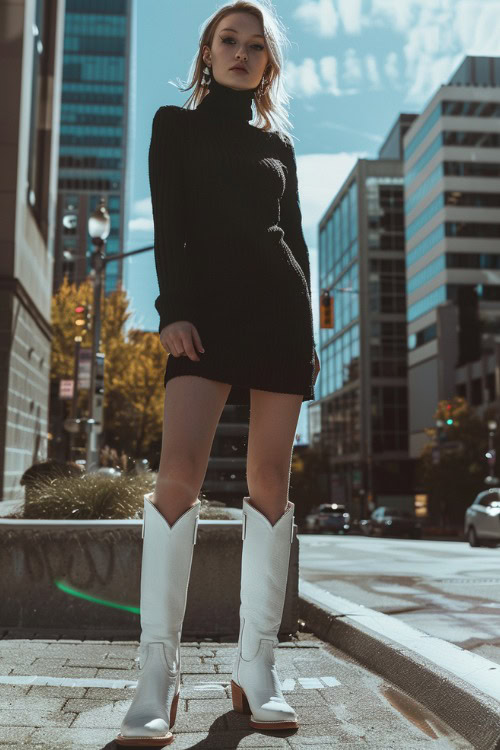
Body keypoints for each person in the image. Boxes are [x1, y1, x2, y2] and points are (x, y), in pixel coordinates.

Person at [116, 1, 320, 745]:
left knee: (270, 483)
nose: (241, 52)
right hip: (203, 318)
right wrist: (172, 309)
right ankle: (155, 676)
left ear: (268, 63)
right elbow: (170, 225)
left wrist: (310, 333)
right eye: (228, 40)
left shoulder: (281, 145)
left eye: (255, 45)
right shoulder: (175, 126)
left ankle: (255, 669)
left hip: (278, 313)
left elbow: (293, 239)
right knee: (179, 477)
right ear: (206, 52)